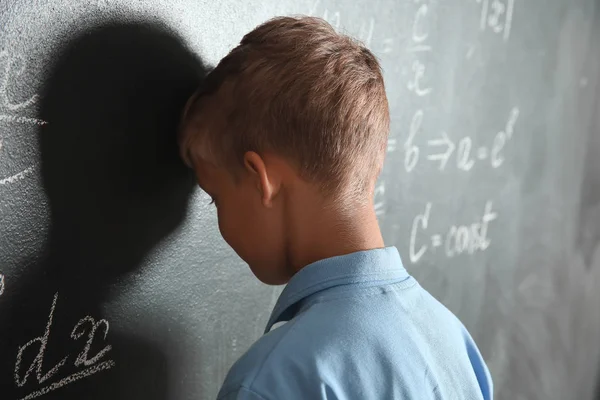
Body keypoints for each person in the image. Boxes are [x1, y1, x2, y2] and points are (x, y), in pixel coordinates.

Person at [178, 15, 493, 400]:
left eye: (216, 198)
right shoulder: (451, 339)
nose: (221, 221)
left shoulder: (270, 381)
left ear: (262, 180)